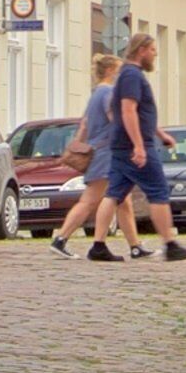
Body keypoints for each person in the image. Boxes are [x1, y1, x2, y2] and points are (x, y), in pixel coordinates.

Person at [92, 34, 186, 261]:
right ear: (142, 50)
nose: (155, 54)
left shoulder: (126, 74)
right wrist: (139, 146)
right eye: (153, 49)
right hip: (134, 146)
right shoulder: (132, 75)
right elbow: (128, 110)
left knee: (114, 193)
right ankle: (170, 243)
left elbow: (138, 113)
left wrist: (160, 133)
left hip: (122, 145)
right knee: (158, 191)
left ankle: (98, 245)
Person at [55, 51, 122, 257]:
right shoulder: (108, 93)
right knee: (92, 200)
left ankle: (127, 245)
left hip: (98, 151)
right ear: (110, 71)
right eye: (119, 71)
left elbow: (84, 124)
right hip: (106, 154)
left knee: (115, 197)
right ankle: (65, 240)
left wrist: (78, 145)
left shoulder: (95, 94)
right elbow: (115, 119)